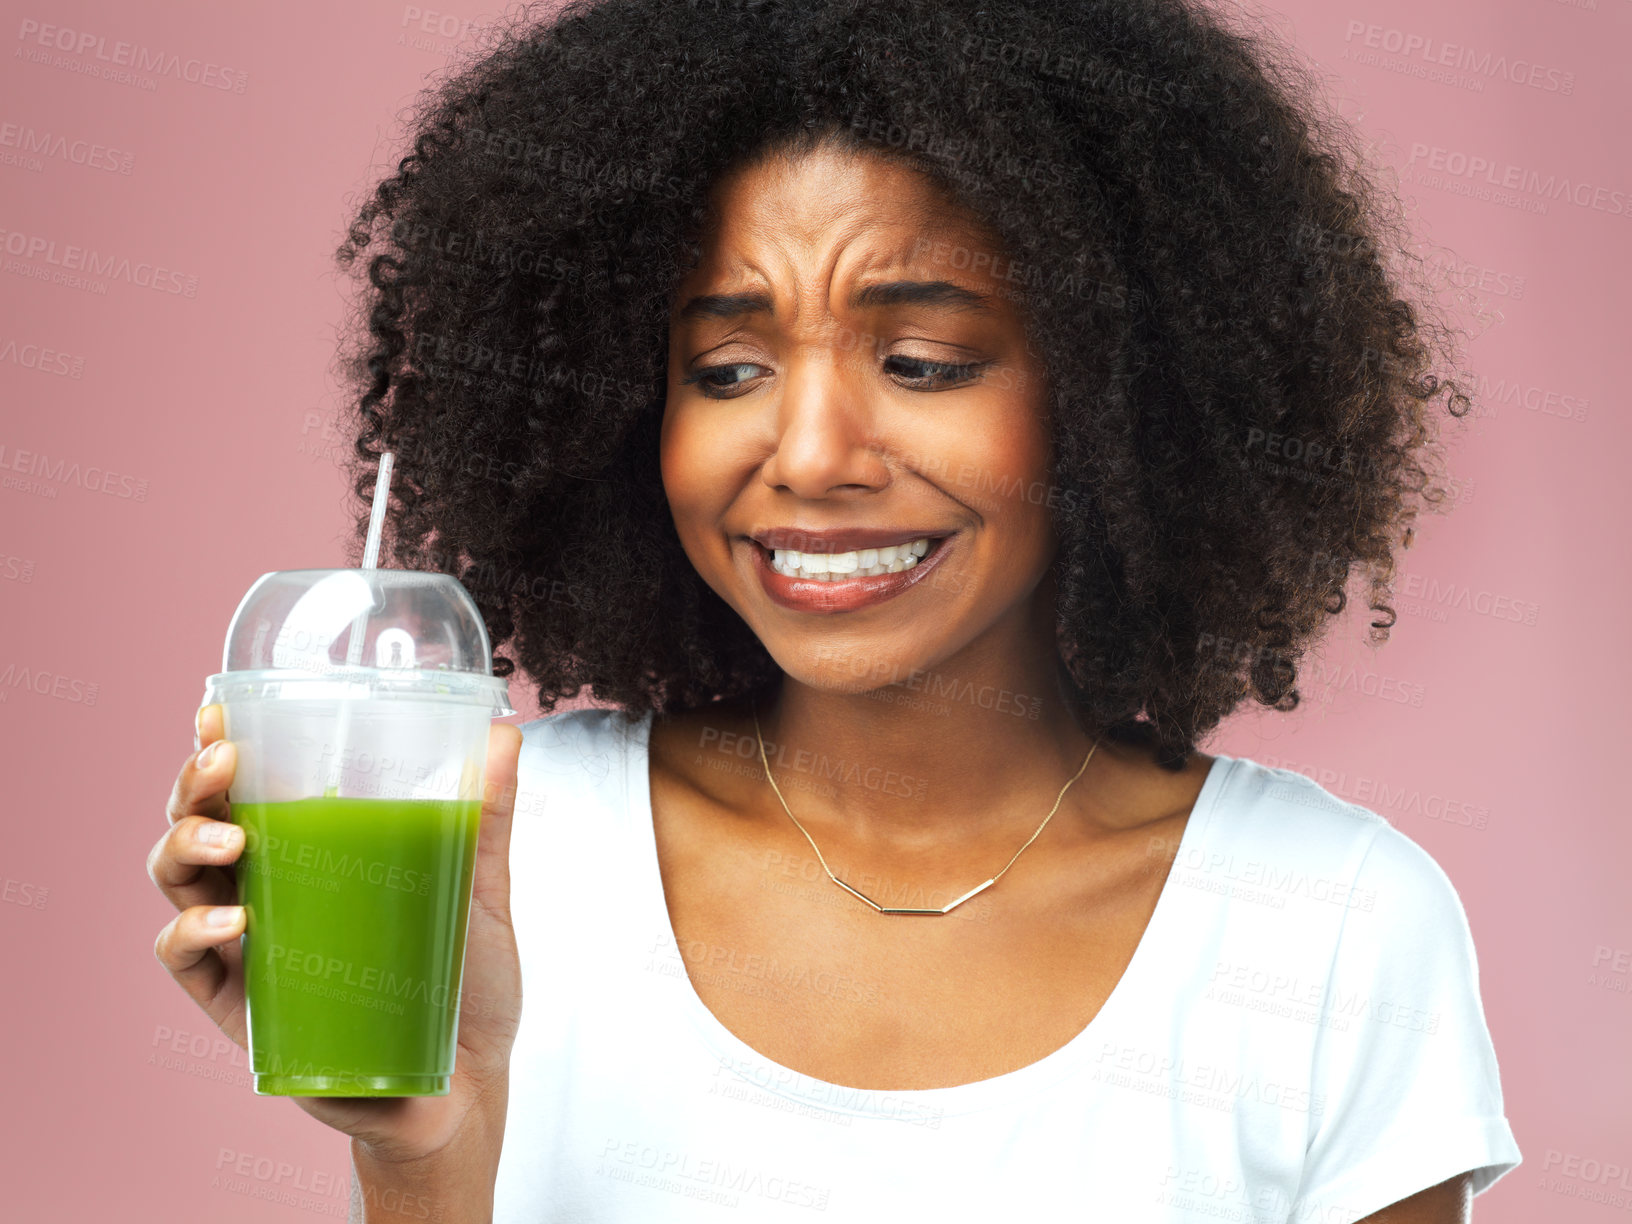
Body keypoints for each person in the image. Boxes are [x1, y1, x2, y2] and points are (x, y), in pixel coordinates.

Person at [148, 0, 1522, 1219]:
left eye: (922, 361)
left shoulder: (1329, 928)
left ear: (1119, 401)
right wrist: (424, 1151)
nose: (808, 454)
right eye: (728, 369)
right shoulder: (493, 859)